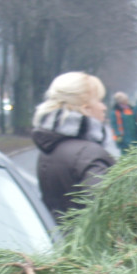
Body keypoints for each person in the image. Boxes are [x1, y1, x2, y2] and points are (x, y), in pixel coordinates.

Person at [31, 72, 115, 221]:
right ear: (86, 108)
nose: (103, 107)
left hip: (61, 239)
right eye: (99, 101)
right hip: (89, 243)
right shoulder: (89, 153)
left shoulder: (48, 149)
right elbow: (108, 212)